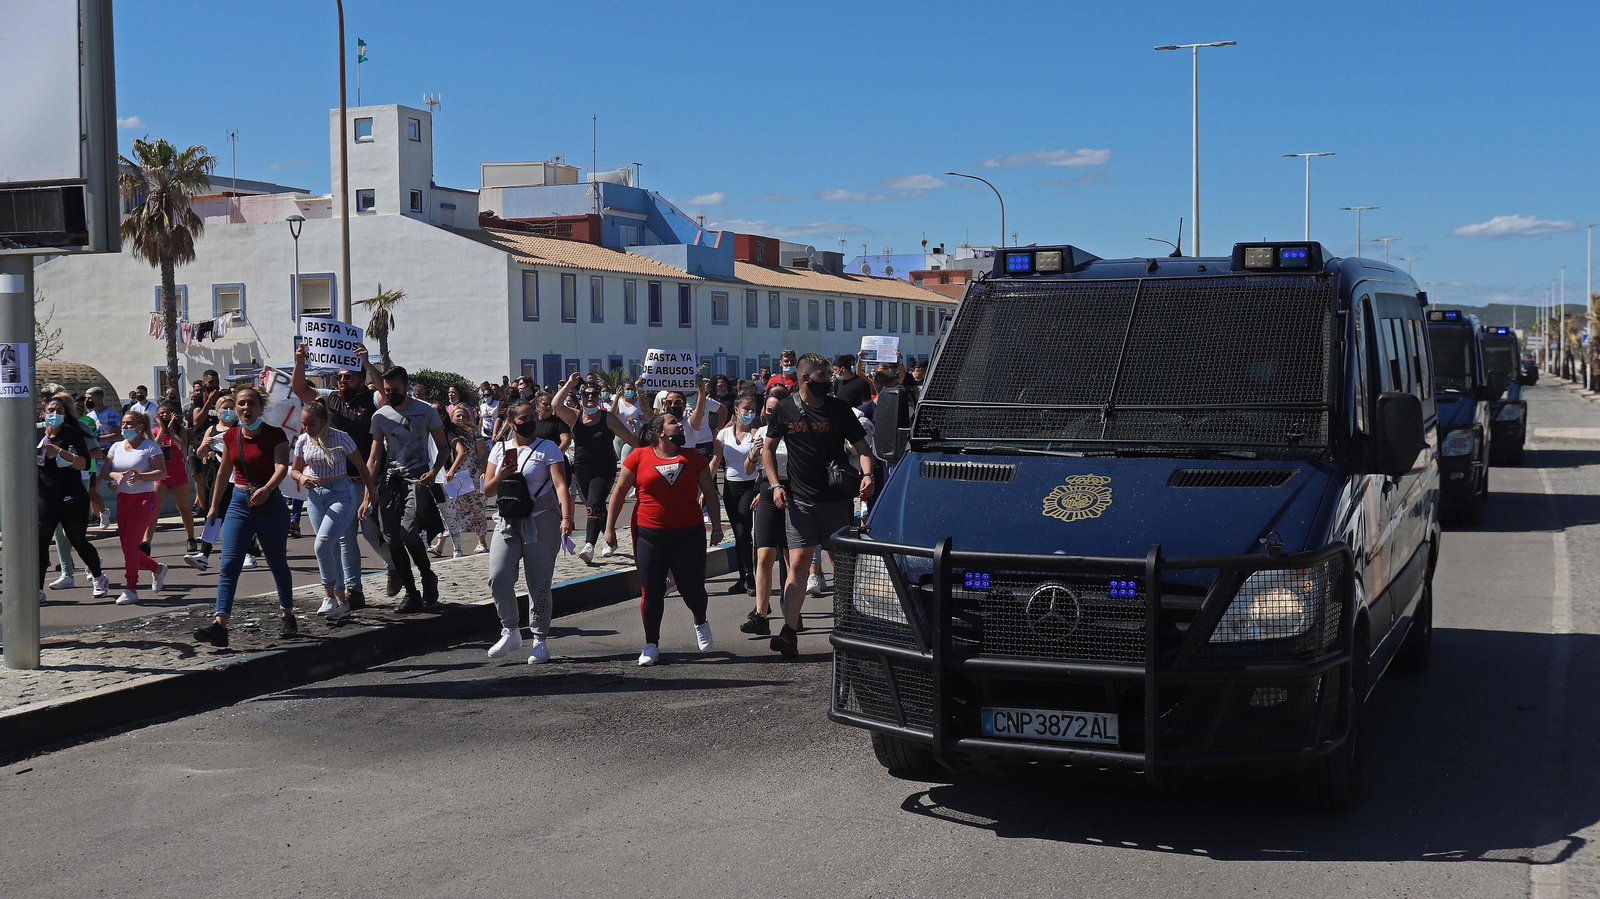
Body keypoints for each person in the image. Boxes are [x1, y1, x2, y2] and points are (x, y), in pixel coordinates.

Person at [762, 353, 876, 657]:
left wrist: (867, 474)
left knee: (842, 565)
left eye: (829, 374)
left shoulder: (840, 409)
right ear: (805, 378)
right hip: (800, 503)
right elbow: (768, 450)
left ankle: (850, 627)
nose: (829, 380)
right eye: (823, 376)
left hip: (836, 502)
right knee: (797, 565)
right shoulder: (785, 409)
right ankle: (789, 632)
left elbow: (864, 448)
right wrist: (775, 485)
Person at [603, 412, 724, 666]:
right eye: (674, 422)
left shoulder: (692, 457)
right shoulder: (638, 456)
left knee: (692, 588)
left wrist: (715, 526)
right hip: (649, 532)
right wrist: (609, 528)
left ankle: (700, 619)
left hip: (688, 532)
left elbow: (710, 493)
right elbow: (618, 493)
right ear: (660, 432)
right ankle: (651, 644)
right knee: (652, 590)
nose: (680, 424)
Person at [193, 384, 296, 646]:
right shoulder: (231, 436)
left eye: (251, 403)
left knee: (277, 562)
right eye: (241, 404)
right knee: (228, 564)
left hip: (269, 503)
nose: (245, 408)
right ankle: (220, 625)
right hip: (239, 502)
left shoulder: (276, 435)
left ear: (261, 407)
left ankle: (287, 613)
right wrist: (214, 506)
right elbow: (223, 471)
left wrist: (267, 488)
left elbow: (282, 466)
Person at [290, 343, 390, 607]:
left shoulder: (371, 398)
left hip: (367, 477)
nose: (343, 380)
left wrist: (368, 363)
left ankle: (393, 565)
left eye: (349, 376)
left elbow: (385, 392)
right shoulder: (330, 397)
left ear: (360, 378)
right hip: (339, 482)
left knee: (372, 533)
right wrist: (300, 361)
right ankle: (353, 590)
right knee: (345, 538)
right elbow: (300, 389)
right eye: (340, 376)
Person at [481, 401, 574, 663]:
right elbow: (487, 490)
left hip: (542, 517)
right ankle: (510, 630)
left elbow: (560, 484)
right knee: (498, 576)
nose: (530, 421)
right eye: (524, 418)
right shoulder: (499, 449)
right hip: (508, 519)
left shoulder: (548, 447)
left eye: (532, 416)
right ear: (511, 422)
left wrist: (566, 517)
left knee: (539, 581)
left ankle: (540, 639)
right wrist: (500, 475)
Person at [368, 366, 449, 613]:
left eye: (396, 390)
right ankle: (412, 592)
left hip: (417, 479)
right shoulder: (380, 416)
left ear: (406, 386)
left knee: (409, 533)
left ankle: (427, 575)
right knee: (392, 539)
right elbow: (374, 457)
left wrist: (434, 472)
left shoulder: (425, 411)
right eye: (387, 390)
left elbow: (443, 447)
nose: (391, 394)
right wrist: (368, 494)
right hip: (391, 481)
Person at [290, 398, 377, 621]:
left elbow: (361, 465)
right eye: (304, 424)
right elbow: (295, 470)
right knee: (330, 549)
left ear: (324, 421)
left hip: (341, 494)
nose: (306, 429)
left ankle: (328, 596)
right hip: (316, 497)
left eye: (311, 425)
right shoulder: (302, 440)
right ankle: (341, 602)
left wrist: (370, 493)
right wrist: (302, 477)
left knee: (321, 545)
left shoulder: (341, 438)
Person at [553, 373, 640, 562]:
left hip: (604, 468)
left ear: (600, 397)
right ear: (581, 398)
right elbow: (555, 405)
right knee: (595, 505)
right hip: (582, 468)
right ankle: (611, 539)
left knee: (593, 503)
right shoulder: (574, 416)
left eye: (594, 394)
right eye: (586, 395)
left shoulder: (608, 418)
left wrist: (650, 455)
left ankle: (589, 545)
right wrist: (569, 384)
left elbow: (632, 440)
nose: (590, 397)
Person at [38, 395, 109, 601]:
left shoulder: (72, 434)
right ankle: (38, 590)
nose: (54, 414)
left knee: (77, 539)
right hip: (44, 496)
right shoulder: (34, 433)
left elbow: (85, 464)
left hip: (71, 495)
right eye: (50, 411)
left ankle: (98, 576)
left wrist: (60, 452)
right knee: (41, 542)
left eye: (59, 411)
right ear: (43, 413)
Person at [105, 408, 170, 605]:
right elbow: (104, 472)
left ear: (140, 427)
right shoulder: (116, 447)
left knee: (131, 546)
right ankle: (157, 568)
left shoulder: (150, 447)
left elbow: (161, 473)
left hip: (144, 499)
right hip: (123, 499)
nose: (124, 427)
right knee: (128, 547)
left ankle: (131, 588)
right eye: (123, 424)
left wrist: (141, 476)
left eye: (128, 424)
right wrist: (113, 475)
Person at [740, 387, 790, 635]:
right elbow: (749, 468)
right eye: (767, 410)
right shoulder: (760, 431)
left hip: (792, 491)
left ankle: (792, 613)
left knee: (791, 559)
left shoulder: (794, 430)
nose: (770, 415)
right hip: (767, 492)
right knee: (764, 556)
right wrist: (754, 452)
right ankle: (761, 614)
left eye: (775, 410)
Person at [713, 392, 761, 596]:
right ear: (737, 411)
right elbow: (715, 462)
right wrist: (704, 486)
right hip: (730, 487)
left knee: (744, 531)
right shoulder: (723, 434)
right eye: (746, 409)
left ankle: (751, 576)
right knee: (737, 532)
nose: (749, 413)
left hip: (750, 486)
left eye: (753, 410)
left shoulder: (757, 433)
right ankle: (742, 578)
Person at [144, 403, 199, 559]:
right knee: (154, 509)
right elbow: (154, 447)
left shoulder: (179, 430)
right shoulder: (153, 431)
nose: (164, 416)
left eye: (167, 413)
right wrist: (162, 430)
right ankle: (146, 543)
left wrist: (170, 431)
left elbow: (181, 446)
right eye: (161, 413)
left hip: (178, 475)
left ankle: (190, 538)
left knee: (183, 508)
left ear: (172, 415)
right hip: (160, 476)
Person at [437, 404, 492, 556]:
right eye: (458, 416)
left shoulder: (473, 433)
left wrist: (484, 471)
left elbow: (483, 454)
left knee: (477, 508)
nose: (461, 419)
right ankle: (440, 544)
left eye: (464, 416)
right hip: (452, 477)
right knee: (448, 510)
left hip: (472, 475)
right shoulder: (447, 432)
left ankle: (482, 542)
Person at [85, 386, 120, 528]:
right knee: (93, 490)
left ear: (98, 399)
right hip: (95, 456)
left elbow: (118, 434)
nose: (87, 400)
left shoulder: (111, 414)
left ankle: (131, 503)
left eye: (89, 398)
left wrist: (99, 438)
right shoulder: (89, 417)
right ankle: (98, 515)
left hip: (109, 456)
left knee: (113, 486)